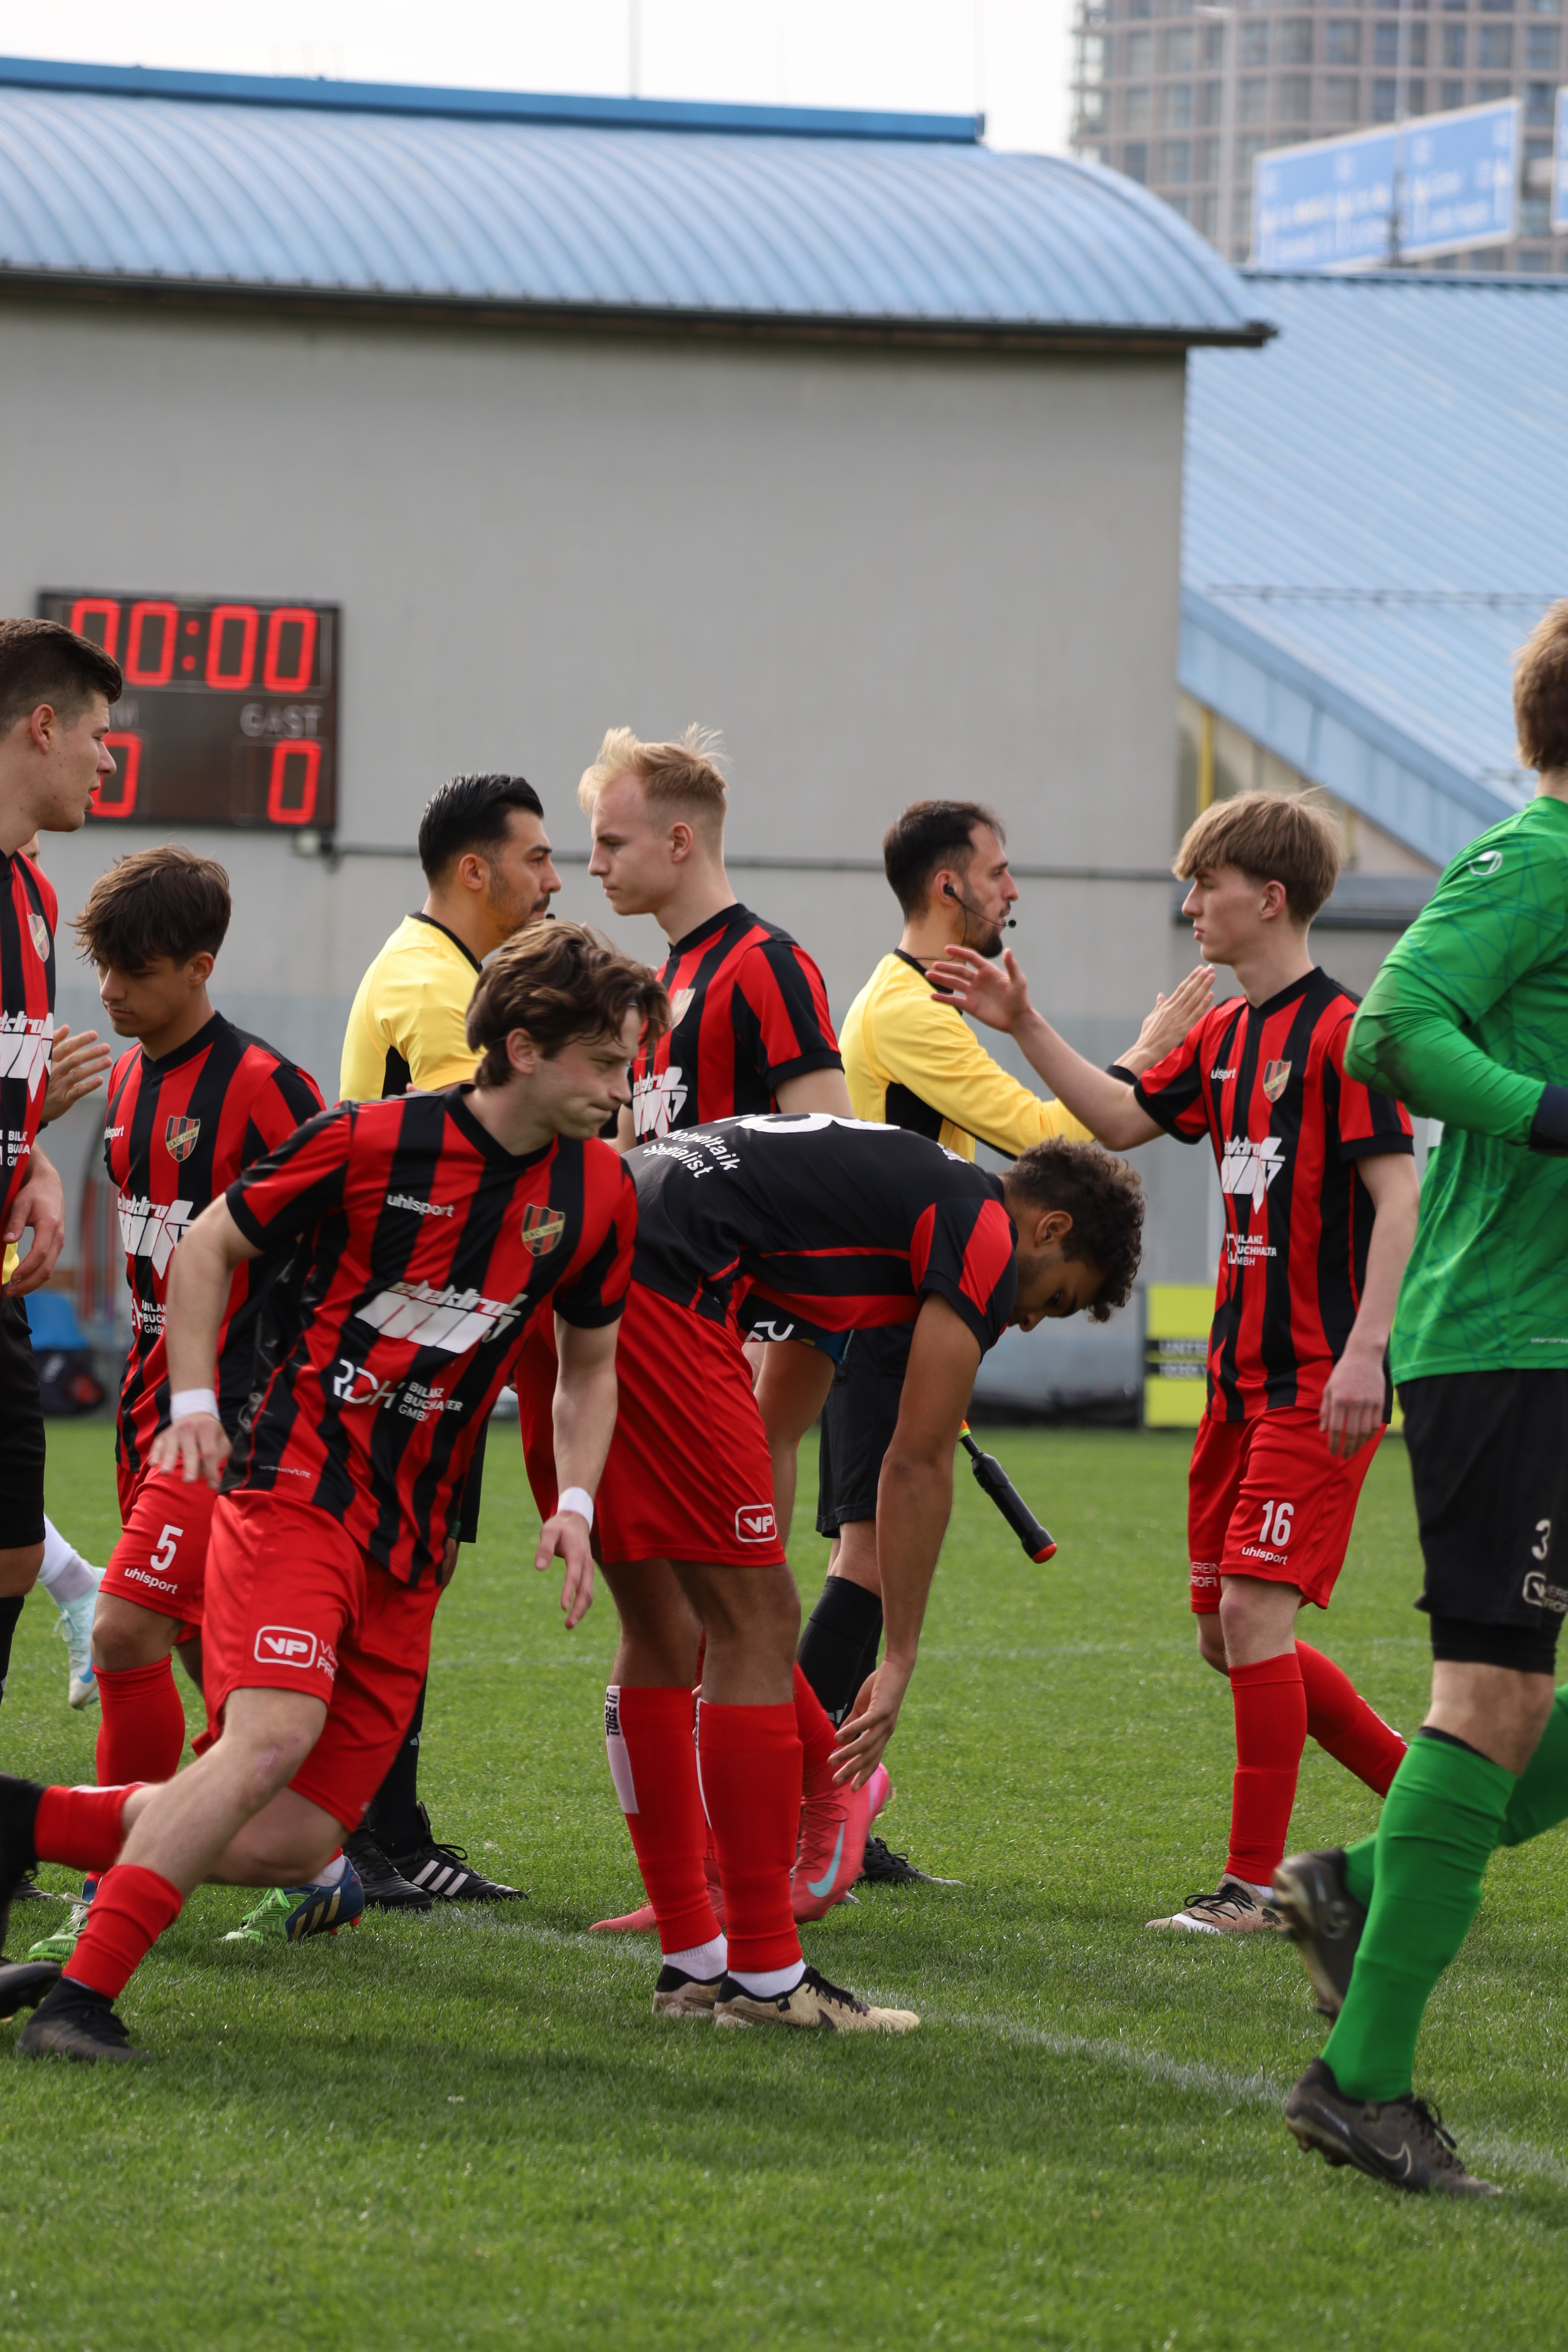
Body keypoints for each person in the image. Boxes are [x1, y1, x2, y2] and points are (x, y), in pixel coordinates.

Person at [2, 922, 655, 2061]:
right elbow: (207, 1247)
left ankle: (20, 1820)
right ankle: (77, 2003)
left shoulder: (599, 1192)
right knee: (266, 1739)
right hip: (295, 1486)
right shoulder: (366, 1141)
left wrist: (580, 1504)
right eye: (605, 1063)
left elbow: (589, 1366)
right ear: (521, 1046)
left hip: (418, 1542)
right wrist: (196, 1407)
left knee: (290, 1838)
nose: (624, 1088)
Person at [519, 1110, 1145, 2031]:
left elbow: (775, 1420)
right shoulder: (973, 1225)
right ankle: (768, 1980)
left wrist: (743, 1553)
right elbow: (915, 1460)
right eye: (1052, 1297)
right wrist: (896, 1659)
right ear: (1048, 1229)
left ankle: (695, 1966)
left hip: (569, 1264)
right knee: (760, 1631)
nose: (1024, 1317)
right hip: (657, 1286)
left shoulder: (866, 1215)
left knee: (668, 1630)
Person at [929, 790, 1417, 1934]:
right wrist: (1022, 1022)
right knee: (1226, 1635)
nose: (1190, 905)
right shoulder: (1227, 1035)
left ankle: (1255, 1890)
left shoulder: (1346, 1035)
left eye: (1207, 885)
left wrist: (1366, 1353)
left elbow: (1401, 1197)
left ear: (1271, 897)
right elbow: (1113, 1121)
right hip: (1237, 1389)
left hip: (1313, 1385)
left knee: (1254, 1618)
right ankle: (1435, 1808)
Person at [1275, 605, 1568, 2197]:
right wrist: (1547, 1114)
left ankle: (1362, 1879)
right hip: (1508, 1345)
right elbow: (1389, 1027)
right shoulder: (1528, 861)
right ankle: (1358, 2084)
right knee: (1493, 1702)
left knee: (1504, 1703)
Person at [800, 798, 1213, 1888]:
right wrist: (1143, 1062)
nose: (1014, 891)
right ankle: (791, 1804)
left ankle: (823, 1809)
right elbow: (1056, 1145)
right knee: (868, 1566)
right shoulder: (909, 1012)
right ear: (951, 888)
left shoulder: (916, 1002)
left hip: (890, 1305)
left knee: (866, 1564)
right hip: (887, 1310)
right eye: (1001, 872)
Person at [575, 725, 874, 1916]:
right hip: (670, 1328)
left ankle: (817, 1808)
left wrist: (788, 1330)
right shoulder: (663, 982)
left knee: (729, 1601)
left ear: (680, 839)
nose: (593, 863)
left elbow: (830, 1142)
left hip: (754, 1329)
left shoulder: (767, 966)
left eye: (611, 840)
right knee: (693, 1601)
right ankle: (720, 1865)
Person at [28, 848, 327, 1968]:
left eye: (135, 970)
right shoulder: (131, 1081)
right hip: (149, 1402)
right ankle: (326, 1868)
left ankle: (118, 1876)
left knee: (119, 1628)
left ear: (200, 966)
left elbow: (320, 1252)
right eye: (101, 965)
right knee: (210, 1651)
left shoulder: (264, 1089)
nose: (108, 989)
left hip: (232, 1414)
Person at [337, 773, 562, 1908]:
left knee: (401, 1577)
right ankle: (377, 1838)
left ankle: (379, 1831)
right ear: (474, 870)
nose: (555, 880)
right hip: (407, 1344)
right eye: (536, 857)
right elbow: (477, 1166)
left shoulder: (441, 974)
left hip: (419, 1340)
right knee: (394, 1580)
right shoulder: (436, 992)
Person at [0, 621, 119, 1797]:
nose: (104, 759)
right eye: (96, 733)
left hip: (4, 1283)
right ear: (43, 726)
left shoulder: (35, 897)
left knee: (11, 1545)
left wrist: (30, 1154)